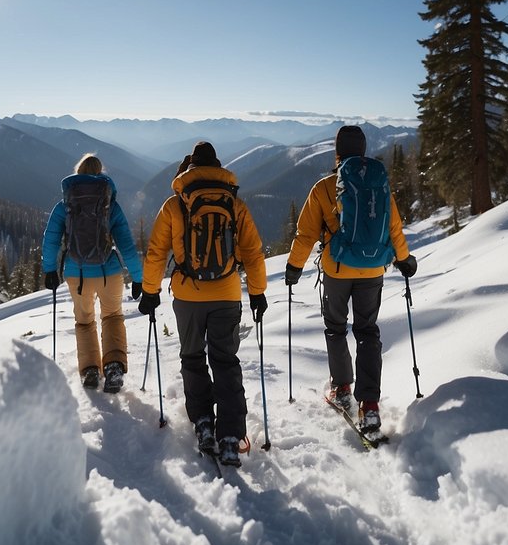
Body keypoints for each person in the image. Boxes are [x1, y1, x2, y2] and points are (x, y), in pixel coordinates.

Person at [138, 141, 268, 467]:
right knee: (225, 361)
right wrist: (258, 292)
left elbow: (156, 252)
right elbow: (252, 252)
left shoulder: (174, 204)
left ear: (189, 169)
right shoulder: (234, 204)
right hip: (226, 293)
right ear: (218, 168)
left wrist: (150, 291)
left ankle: (203, 424)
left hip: (188, 296)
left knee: (193, 358)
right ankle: (230, 437)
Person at [284, 125, 417, 434]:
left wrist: (294, 266)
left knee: (335, 327)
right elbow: (394, 226)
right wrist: (404, 259)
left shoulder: (324, 188)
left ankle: (342, 388)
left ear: (338, 152)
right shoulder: (379, 184)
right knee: (367, 332)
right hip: (373, 270)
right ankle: (369, 405)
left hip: (337, 270)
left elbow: (305, 233)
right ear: (364, 150)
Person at [42, 154, 143, 393]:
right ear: (101, 174)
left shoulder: (64, 206)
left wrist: (49, 270)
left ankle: (89, 370)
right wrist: (138, 277)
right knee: (112, 317)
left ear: (77, 173)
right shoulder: (110, 205)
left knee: (85, 320)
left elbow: (51, 240)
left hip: (77, 274)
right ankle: (114, 366)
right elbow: (126, 244)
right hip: (109, 271)